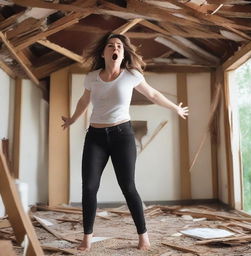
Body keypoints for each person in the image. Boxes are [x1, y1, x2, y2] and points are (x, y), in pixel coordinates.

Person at [61, 33, 189, 252]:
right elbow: (84, 100)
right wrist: (73, 119)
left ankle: (143, 236)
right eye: (110, 45)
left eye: (119, 45)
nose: (115, 48)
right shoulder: (92, 77)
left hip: (122, 136)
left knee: (128, 186)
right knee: (89, 187)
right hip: (95, 136)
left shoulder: (131, 75)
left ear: (123, 53)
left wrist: (175, 108)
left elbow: (153, 95)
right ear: (104, 53)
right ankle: (87, 238)